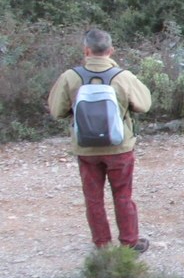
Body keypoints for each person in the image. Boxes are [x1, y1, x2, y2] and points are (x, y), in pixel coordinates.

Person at [47, 29, 153, 252]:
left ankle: (102, 244)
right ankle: (129, 242)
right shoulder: (123, 76)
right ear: (111, 50)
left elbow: (57, 110)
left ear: (86, 50)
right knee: (123, 195)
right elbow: (144, 105)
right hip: (119, 147)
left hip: (86, 148)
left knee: (93, 198)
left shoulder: (70, 77)